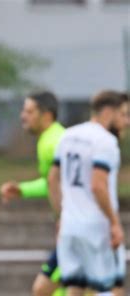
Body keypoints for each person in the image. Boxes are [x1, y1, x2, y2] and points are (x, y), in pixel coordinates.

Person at [48, 90, 129, 296]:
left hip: (70, 227)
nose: (126, 122)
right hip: (96, 228)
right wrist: (114, 223)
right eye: (124, 114)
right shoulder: (106, 141)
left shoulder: (68, 135)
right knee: (111, 287)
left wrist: (61, 216)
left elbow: (53, 179)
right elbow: (98, 186)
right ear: (109, 112)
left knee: (75, 287)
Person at [0, 91, 65, 296]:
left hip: (76, 229)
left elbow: (72, 183)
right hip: (75, 228)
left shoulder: (54, 143)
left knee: (43, 290)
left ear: (46, 115)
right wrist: (23, 190)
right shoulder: (52, 138)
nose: (23, 116)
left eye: (29, 111)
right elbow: (52, 182)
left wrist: (67, 218)